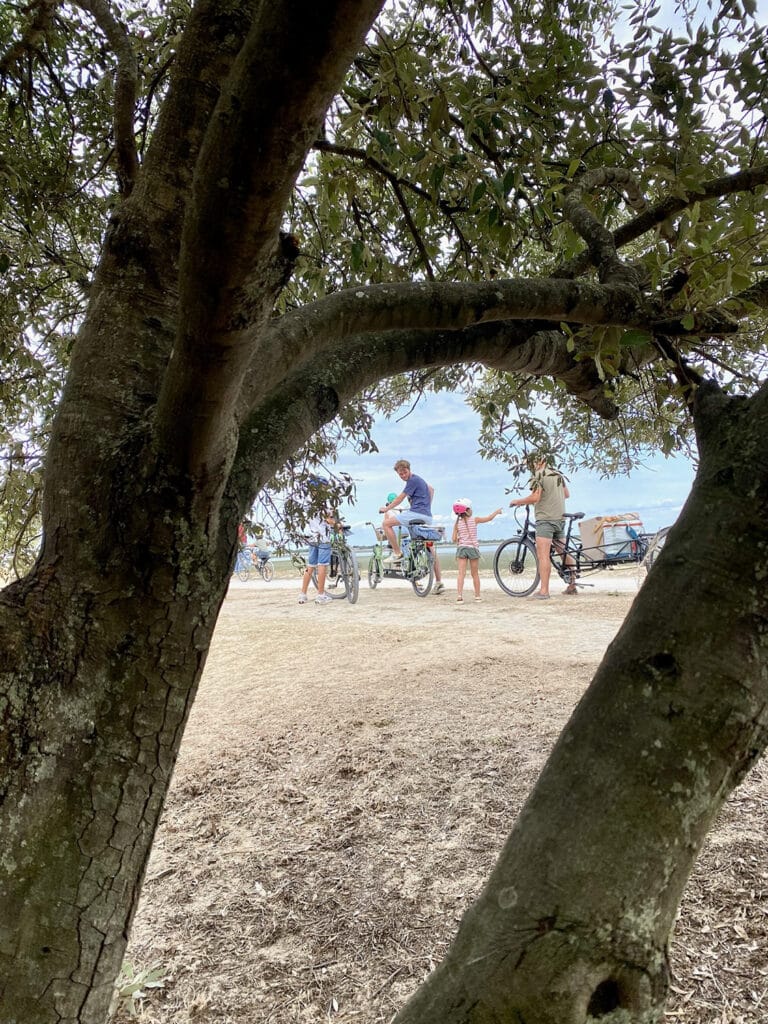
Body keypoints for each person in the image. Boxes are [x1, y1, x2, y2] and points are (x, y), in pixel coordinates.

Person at [509, 457, 576, 599]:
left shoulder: (538, 475)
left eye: (531, 462)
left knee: (543, 555)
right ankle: (572, 585)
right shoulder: (557, 473)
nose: (530, 466)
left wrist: (518, 501)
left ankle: (544, 591)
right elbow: (566, 494)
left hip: (545, 519)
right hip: (560, 518)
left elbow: (535, 497)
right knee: (563, 552)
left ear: (539, 461)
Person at [379, 459, 445, 594]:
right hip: (427, 516)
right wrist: (427, 506)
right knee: (429, 547)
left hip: (415, 513)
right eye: (400, 474)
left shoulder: (412, 480)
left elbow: (400, 498)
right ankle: (439, 582)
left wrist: (386, 509)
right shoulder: (419, 480)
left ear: (409, 469)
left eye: (405, 472)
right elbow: (431, 489)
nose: (403, 475)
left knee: (386, 524)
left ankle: (397, 553)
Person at [452, 499, 502, 602]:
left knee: (461, 574)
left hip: (462, 549)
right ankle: (477, 596)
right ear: (467, 510)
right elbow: (489, 518)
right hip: (473, 549)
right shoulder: (475, 519)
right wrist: (496, 512)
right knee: (475, 574)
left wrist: (460, 539)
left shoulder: (457, 523)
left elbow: (453, 539)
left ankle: (459, 596)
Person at [298, 476, 336, 605]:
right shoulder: (324, 503)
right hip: (323, 537)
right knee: (322, 565)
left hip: (312, 537)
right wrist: (337, 524)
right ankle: (321, 595)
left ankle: (303, 594)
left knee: (311, 565)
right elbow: (329, 520)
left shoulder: (307, 501)